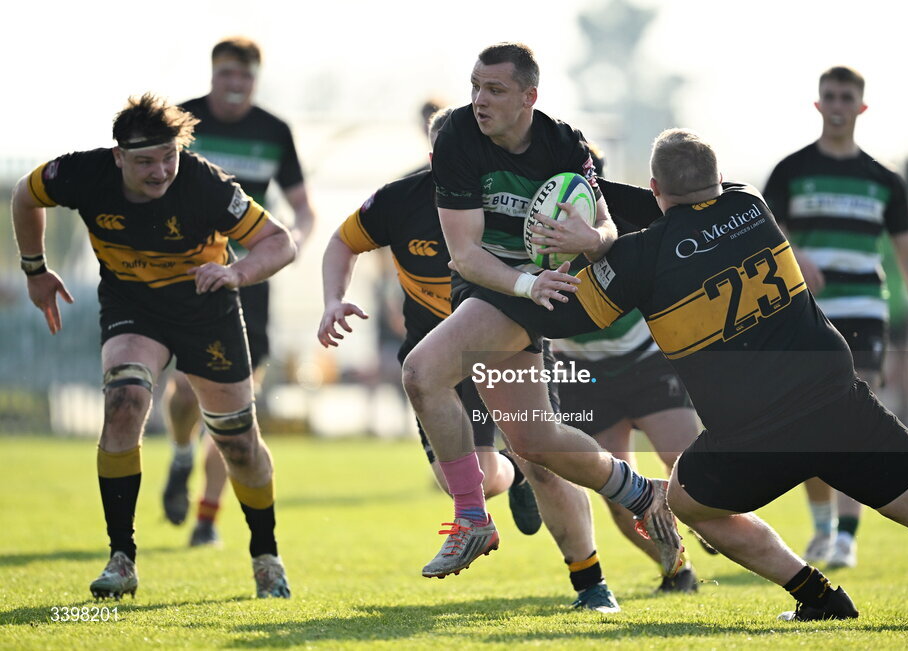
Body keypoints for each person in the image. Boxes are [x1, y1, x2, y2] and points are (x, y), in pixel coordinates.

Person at [475, 127, 908, 621]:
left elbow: (565, 311)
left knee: (685, 503)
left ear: (654, 188)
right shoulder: (751, 204)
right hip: (836, 405)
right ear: (717, 178)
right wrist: (603, 240)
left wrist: (582, 247)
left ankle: (816, 595)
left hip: (750, 437)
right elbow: (685, 219)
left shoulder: (640, 260)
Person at [400, 43, 684, 601]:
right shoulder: (456, 135)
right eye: (475, 86)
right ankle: (641, 493)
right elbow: (463, 253)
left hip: (543, 287)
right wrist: (526, 283)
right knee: (535, 439)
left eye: (495, 90)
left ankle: (471, 519)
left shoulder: (562, 142)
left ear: (529, 97)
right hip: (496, 284)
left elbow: (603, 225)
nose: (479, 100)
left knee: (422, 372)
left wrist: (591, 240)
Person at [318, 106, 620, 612]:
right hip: (435, 353)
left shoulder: (512, 197)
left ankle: (592, 582)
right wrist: (332, 299)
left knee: (545, 459)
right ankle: (511, 473)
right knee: (475, 474)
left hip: (502, 338)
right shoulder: (400, 199)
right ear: (439, 156)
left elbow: (581, 230)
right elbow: (341, 243)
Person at [11, 93, 296, 599]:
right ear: (118, 156)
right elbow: (23, 196)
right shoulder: (80, 175)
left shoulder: (205, 183)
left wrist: (236, 272)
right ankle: (122, 558)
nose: (161, 170)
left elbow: (279, 242)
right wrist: (35, 270)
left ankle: (266, 555)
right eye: (145, 161)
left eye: (169, 157)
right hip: (133, 306)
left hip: (206, 309)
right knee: (124, 402)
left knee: (238, 442)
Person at [763, 66, 908, 569]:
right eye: (830, 95)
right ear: (819, 104)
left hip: (865, 312)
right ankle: (824, 528)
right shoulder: (790, 171)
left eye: (847, 96)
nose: (838, 103)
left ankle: (846, 535)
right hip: (806, 314)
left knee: (847, 419)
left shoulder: (883, 180)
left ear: (861, 107)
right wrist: (795, 257)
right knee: (808, 425)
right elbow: (762, 237)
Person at [160, 36, 317, 548]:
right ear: (213, 73)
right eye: (227, 74)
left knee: (235, 409)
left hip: (248, 284)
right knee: (186, 391)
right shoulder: (181, 120)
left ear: (256, 78)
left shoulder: (274, 132)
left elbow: (303, 210)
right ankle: (182, 454)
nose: (236, 85)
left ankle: (206, 520)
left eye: (245, 77)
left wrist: (281, 250)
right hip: (187, 277)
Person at [553, 144, 704, 593]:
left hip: (644, 357)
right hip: (585, 374)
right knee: (620, 498)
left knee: (691, 467)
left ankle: (715, 522)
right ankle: (677, 569)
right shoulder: (531, 229)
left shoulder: (628, 216)